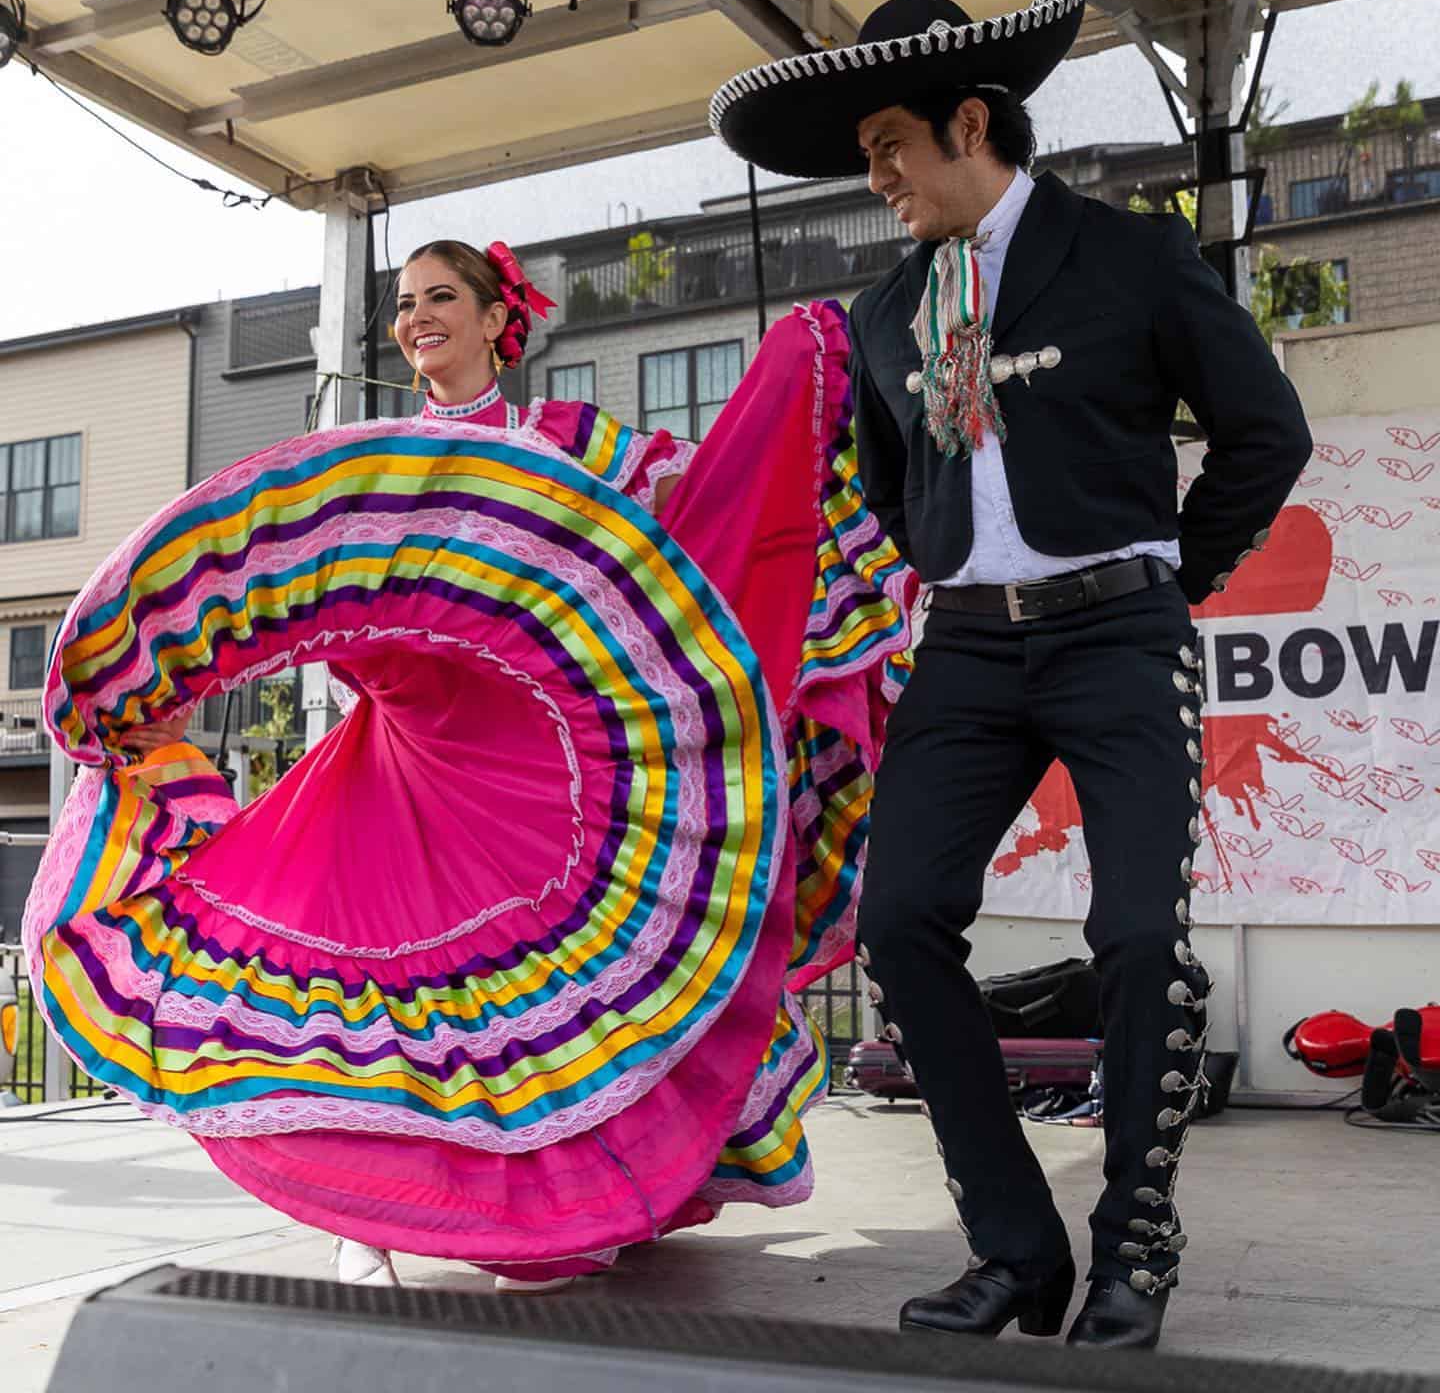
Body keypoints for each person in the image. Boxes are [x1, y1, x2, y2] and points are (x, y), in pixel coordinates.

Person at [27, 241, 914, 1291]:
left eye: (441, 298)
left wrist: (795, 375)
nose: (415, 319)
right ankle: (370, 1215)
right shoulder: (373, 453)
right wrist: (134, 671)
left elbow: (692, 538)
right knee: (378, 1003)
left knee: (545, 1015)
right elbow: (289, 581)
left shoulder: (570, 445)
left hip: (551, 784)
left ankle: (552, 1216)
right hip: (408, 769)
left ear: (501, 319)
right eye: (404, 305)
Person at [711, 0, 1311, 1351]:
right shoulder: (882, 316)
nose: (877, 179)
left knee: (1143, 938)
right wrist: (949, 564)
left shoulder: (1130, 254)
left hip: (1118, 631)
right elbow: (880, 480)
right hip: (970, 649)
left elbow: (1263, 433)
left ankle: (1133, 1252)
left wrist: (1168, 577)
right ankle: (1015, 1250)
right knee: (903, 925)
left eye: (888, 149)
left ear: (969, 125)